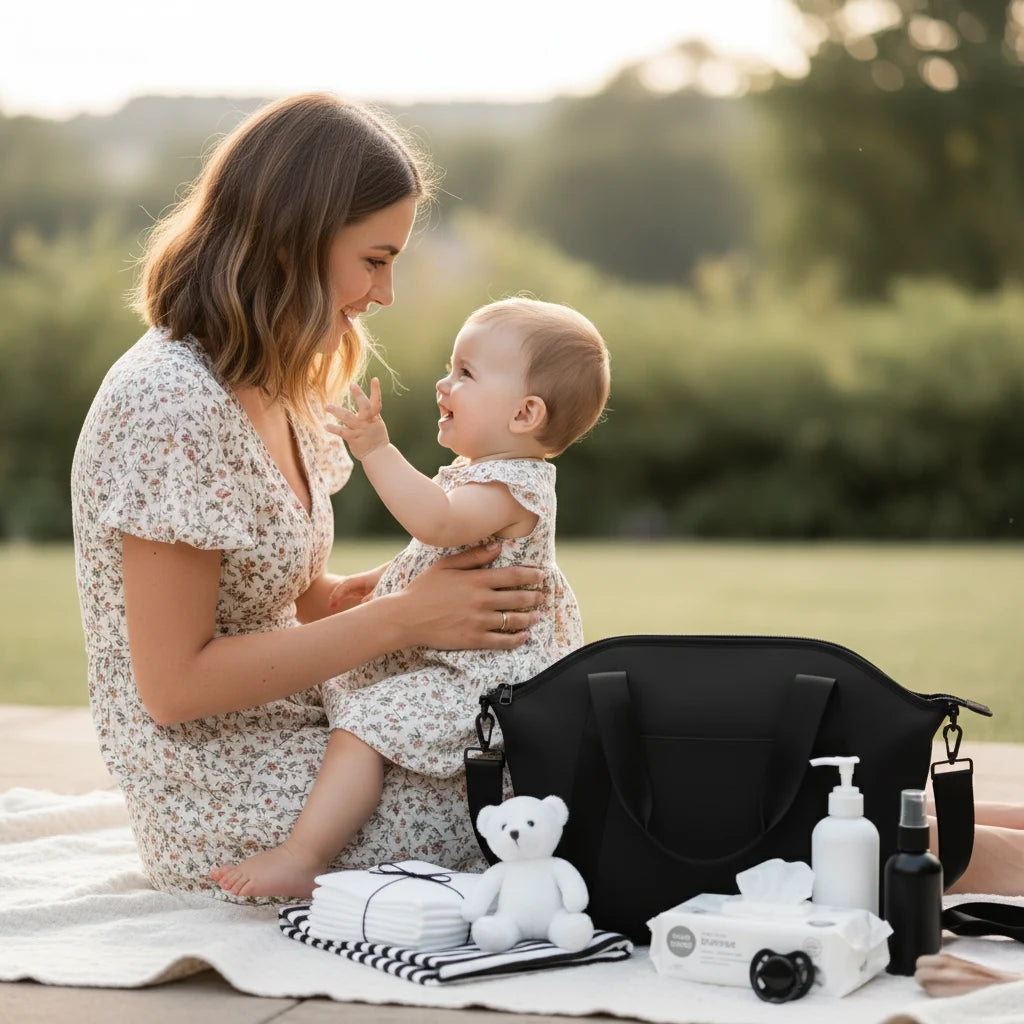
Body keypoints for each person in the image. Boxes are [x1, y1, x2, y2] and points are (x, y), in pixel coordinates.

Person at [70, 92, 549, 900]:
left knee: (532, 755)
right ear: (291, 241)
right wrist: (399, 619)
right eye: (374, 258)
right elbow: (176, 685)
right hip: (217, 785)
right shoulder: (171, 404)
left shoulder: (275, 376)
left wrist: (363, 596)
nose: (386, 292)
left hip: (306, 725)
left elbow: (275, 599)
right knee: (520, 811)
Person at [212, 297, 611, 897]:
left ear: (527, 413)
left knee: (366, 725)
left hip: (480, 677)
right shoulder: (485, 475)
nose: (443, 383)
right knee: (354, 701)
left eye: (466, 374)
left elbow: (439, 524)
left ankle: (303, 854)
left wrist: (375, 448)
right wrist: (387, 578)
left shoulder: (512, 484)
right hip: (458, 658)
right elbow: (449, 552)